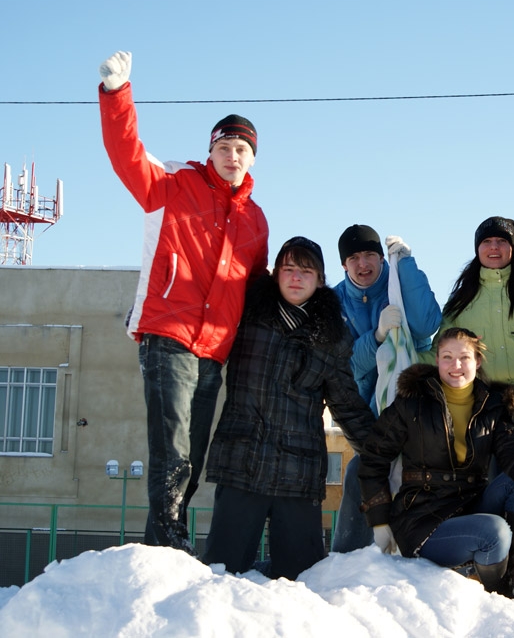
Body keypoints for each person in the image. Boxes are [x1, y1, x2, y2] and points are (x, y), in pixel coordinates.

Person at [98, 50, 269, 554]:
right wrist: (116, 95)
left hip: (214, 349)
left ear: (253, 158)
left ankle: (160, 547)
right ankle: (170, 541)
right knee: (170, 446)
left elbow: (254, 288)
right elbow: (127, 155)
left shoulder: (256, 221)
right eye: (224, 146)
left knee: (193, 453)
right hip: (168, 334)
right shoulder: (175, 185)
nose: (232, 156)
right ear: (210, 150)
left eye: (242, 148)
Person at [201, 237, 376, 580]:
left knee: (302, 582)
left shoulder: (332, 336)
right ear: (276, 274)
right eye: (289, 269)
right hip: (242, 464)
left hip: (299, 473)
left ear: (320, 280)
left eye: (306, 271)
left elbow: (348, 404)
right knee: (222, 575)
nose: (296, 278)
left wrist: (385, 452)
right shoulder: (246, 315)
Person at [357, 327, 514, 602]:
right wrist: (379, 520)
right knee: (493, 533)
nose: (456, 366)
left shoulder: (492, 405)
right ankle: (496, 593)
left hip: (470, 504)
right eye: (447, 357)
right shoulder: (413, 402)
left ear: (478, 361)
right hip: (423, 517)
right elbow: (373, 458)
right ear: (437, 360)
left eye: (464, 357)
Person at [439, 216, 514, 591]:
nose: (494, 248)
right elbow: (442, 348)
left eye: (502, 242)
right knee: (488, 480)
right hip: (484, 404)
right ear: (477, 249)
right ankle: (492, 565)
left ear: (513, 248)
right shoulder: (463, 297)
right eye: (486, 241)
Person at [331, 224, 441, 552]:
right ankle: (347, 556)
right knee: (360, 473)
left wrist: (406, 265)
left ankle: (419, 554)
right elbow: (343, 367)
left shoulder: (397, 284)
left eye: (369, 255)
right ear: (344, 265)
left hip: (410, 401)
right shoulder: (334, 301)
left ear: (381, 257)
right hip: (368, 411)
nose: (363, 264)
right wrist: (376, 338)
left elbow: (426, 325)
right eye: (353, 258)